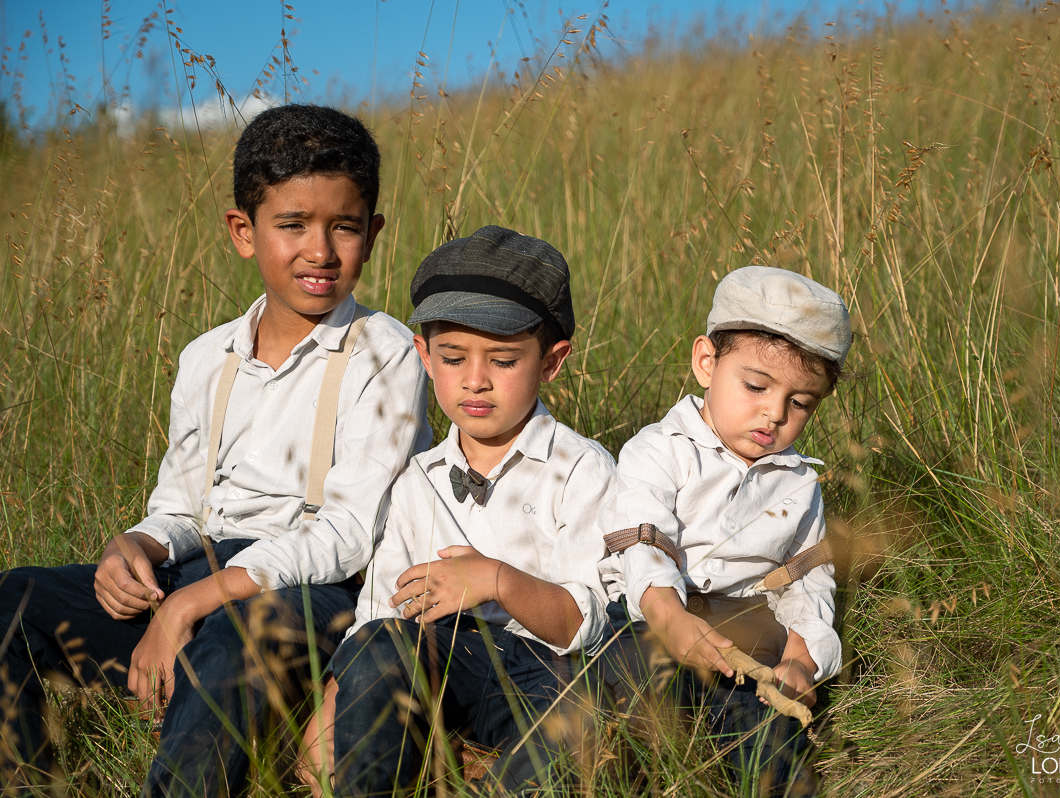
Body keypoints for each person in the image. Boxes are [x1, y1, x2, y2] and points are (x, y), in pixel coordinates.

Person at [0, 104, 431, 796]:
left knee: (234, 637)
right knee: (16, 599)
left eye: (343, 227)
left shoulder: (386, 355)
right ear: (243, 231)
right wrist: (137, 545)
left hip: (311, 593)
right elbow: (181, 504)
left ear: (372, 234)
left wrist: (191, 603)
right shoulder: (207, 358)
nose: (319, 251)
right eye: (291, 225)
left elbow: (348, 536)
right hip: (203, 572)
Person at [305, 225, 615, 797]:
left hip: (547, 675)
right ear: (424, 356)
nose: (475, 381)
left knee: (589, 722)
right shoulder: (418, 481)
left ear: (551, 361)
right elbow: (378, 618)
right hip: (445, 662)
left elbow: (585, 623)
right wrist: (329, 709)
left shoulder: (581, 470)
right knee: (381, 652)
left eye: (502, 360)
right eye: (452, 357)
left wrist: (496, 579)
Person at [598, 265, 850, 795]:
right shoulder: (658, 450)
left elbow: (807, 580)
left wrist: (800, 661)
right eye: (756, 385)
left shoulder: (798, 484)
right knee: (637, 690)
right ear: (706, 362)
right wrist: (670, 617)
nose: (774, 413)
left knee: (774, 745)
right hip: (656, 619)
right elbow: (644, 543)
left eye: (800, 402)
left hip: (749, 641)